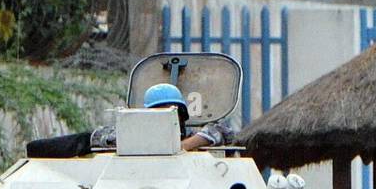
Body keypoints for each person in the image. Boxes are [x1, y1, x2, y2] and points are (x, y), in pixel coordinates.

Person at [26, 82, 233, 158]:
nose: (167, 118)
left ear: (182, 115)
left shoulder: (194, 137)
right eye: (157, 113)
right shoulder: (127, 139)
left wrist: (182, 146)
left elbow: (223, 130)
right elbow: (86, 140)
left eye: (172, 112)